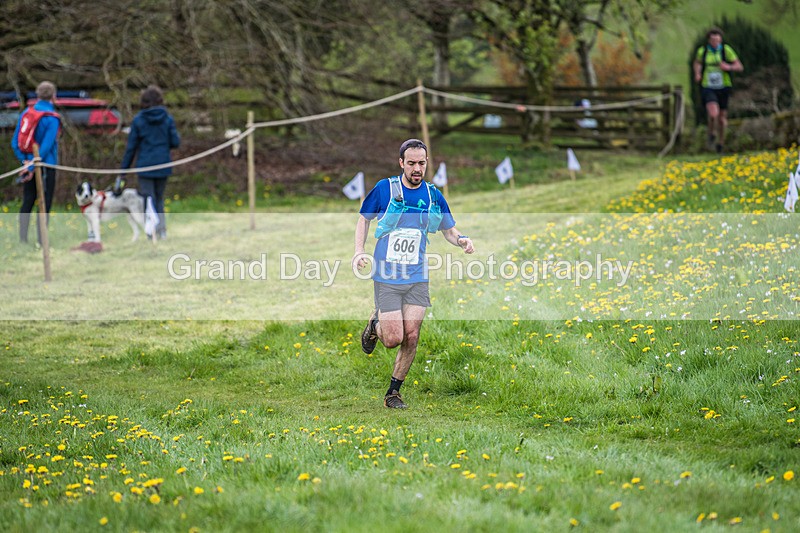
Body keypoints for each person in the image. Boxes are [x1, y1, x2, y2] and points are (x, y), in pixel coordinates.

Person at [353, 139, 475, 409]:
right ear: (401, 163)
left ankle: (393, 393)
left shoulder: (433, 195)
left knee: (412, 335)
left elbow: (448, 230)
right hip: (387, 276)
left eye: (421, 163)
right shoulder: (386, 189)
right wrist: (359, 250)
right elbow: (364, 218)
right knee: (393, 338)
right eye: (411, 163)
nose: (417, 168)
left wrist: (462, 239)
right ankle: (375, 325)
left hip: (417, 276)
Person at [120, 85, 180, 239]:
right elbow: (175, 141)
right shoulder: (167, 118)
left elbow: (131, 148)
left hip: (145, 165)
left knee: (149, 199)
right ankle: (162, 231)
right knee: (159, 198)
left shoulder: (139, 120)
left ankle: (151, 232)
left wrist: (123, 171)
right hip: (163, 164)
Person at [11, 81, 60, 245]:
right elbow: (45, 147)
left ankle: (22, 240)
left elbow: (14, 142)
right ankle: (42, 241)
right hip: (46, 166)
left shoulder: (26, 112)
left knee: (28, 200)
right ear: (54, 96)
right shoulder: (52, 118)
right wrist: (33, 166)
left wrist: (25, 163)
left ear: (38, 95)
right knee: (44, 204)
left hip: (27, 164)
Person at [693, 27, 743, 154]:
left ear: (720, 40)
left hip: (724, 86)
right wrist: (697, 73)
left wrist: (728, 67)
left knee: (721, 119)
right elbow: (697, 63)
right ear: (709, 40)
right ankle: (711, 132)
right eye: (713, 40)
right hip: (708, 86)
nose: (715, 42)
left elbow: (739, 66)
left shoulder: (726, 51)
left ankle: (720, 143)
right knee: (713, 114)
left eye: (717, 40)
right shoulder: (703, 51)